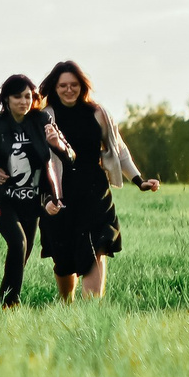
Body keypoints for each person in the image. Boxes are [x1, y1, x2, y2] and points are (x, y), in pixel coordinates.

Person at [41, 60, 159, 302]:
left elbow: (119, 150)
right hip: (60, 192)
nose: (69, 89)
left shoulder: (98, 113)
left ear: (82, 86)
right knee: (63, 259)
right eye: (63, 85)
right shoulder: (46, 116)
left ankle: (91, 310)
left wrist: (139, 180)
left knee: (98, 245)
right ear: (55, 87)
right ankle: (67, 303)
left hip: (94, 190)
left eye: (74, 84)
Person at [0, 75, 57, 307]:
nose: (24, 101)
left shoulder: (41, 119)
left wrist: (57, 144)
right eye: (18, 97)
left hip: (31, 201)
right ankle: (8, 305)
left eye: (28, 96)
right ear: (6, 98)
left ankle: (3, 303)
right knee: (18, 243)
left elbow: (61, 154)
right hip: (1, 198)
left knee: (23, 254)